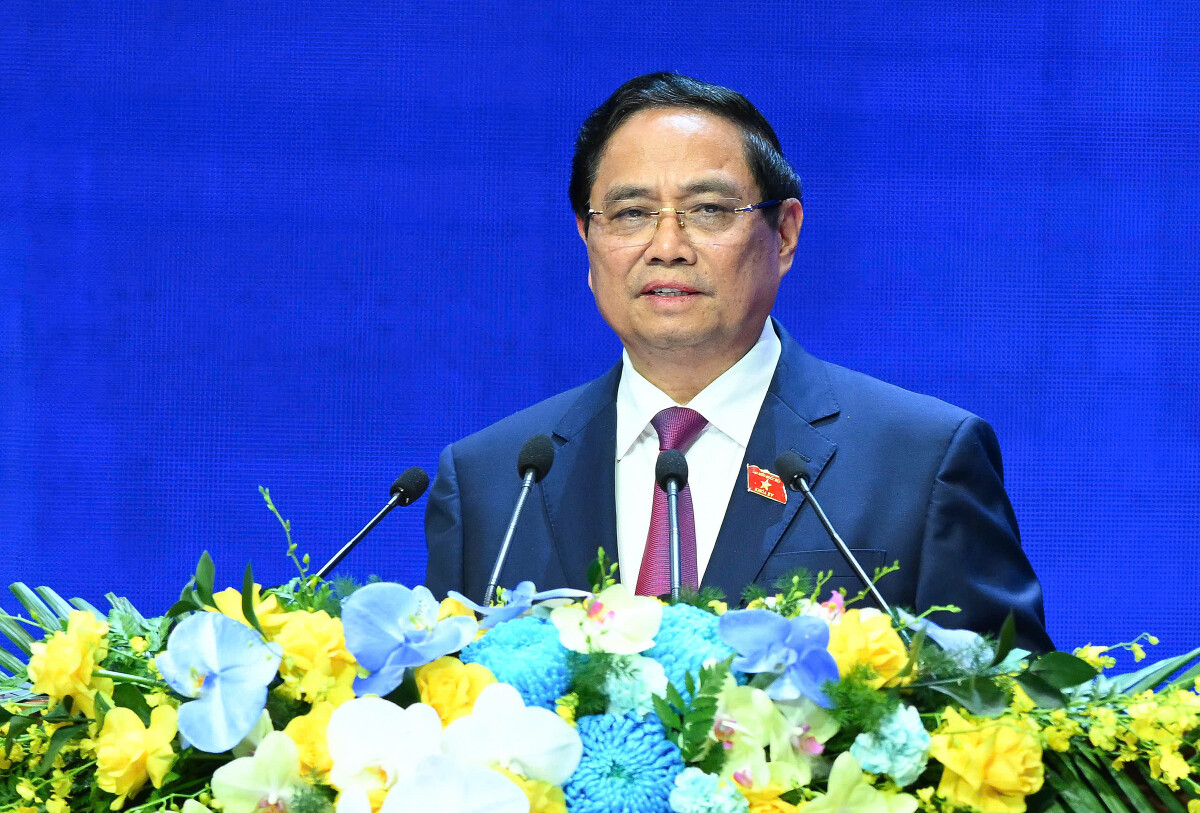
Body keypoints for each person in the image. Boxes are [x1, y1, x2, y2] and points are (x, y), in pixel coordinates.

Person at [424, 72, 1052, 651]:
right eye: (632, 214)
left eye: (708, 210)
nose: (667, 247)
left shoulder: (920, 461)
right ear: (587, 240)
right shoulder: (492, 482)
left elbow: (1013, 708)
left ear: (784, 235)